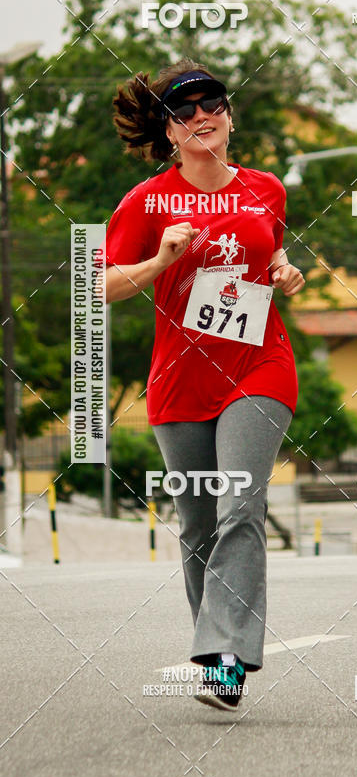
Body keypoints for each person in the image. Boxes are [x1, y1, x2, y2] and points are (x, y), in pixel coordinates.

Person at [105, 60, 304, 711]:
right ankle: (216, 644)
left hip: (259, 366)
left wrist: (284, 270)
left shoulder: (266, 189)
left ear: (229, 115)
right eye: (183, 111)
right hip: (180, 379)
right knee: (198, 524)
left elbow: (269, 251)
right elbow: (96, 287)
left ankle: (224, 658)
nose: (200, 117)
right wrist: (160, 259)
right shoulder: (146, 202)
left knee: (239, 506)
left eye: (211, 103)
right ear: (168, 131)